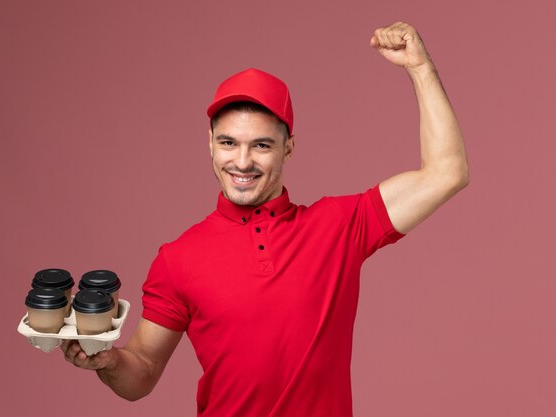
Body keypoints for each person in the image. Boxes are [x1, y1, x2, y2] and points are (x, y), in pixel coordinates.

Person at [61, 21, 469, 417]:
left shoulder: (341, 225)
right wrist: (109, 361)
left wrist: (420, 68)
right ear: (210, 144)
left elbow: (446, 172)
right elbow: (143, 371)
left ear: (288, 148)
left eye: (261, 145)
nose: (242, 162)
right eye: (228, 143)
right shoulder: (177, 258)